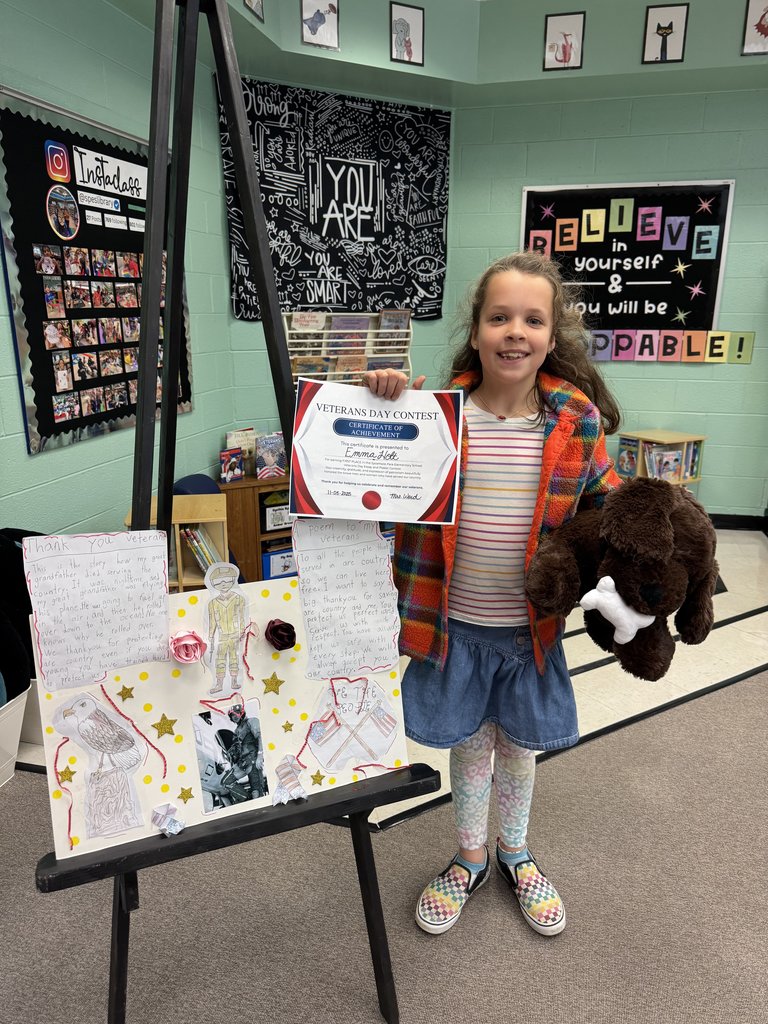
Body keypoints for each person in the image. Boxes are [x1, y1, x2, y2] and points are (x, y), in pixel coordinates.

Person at [364, 250, 622, 938]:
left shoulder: (575, 421)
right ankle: (470, 856)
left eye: (532, 319)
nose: (515, 331)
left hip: (527, 628)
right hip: (454, 624)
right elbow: (367, 477)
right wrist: (382, 402)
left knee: (519, 746)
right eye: (499, 316)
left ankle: (516, 852)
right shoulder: (434, 415)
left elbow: (607, 507)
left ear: (551, 335)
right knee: (472, 743)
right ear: (475, 331)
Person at [224, 703, 267, 801]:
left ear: (242, 713)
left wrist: (260, 756)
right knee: (226, 781)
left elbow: (261, 736)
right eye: (232, 715)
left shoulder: (251, 721)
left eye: (237, 713)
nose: (235, 717)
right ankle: (247, 799)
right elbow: (236, 748)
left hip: (253, 760)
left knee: (257, 793)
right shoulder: (236, 730)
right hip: (241, 763)